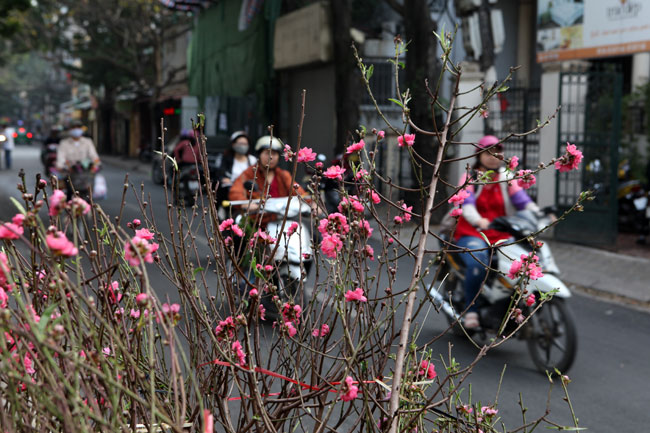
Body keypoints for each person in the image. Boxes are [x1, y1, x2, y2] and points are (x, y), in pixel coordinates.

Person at [453, 135, 541, 329]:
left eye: (497, 152)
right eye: (488, 152)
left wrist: (538, 215)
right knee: (478, 263)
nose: (494, 156)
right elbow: (466, 204)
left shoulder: (507, 177)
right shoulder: (471, 177)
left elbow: (522, 201)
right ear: (479, 155)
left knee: (523, 262)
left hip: (501, 233)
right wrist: (478, 220)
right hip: (473, 233)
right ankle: (471, 310)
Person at [229, 135, 307, 223]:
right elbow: (235, 192)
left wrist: (311, 203)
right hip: (257, 222)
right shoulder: (249, 173)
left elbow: (298, 191)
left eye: (274, 154)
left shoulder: (284, 175)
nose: (270, 157)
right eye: (267, 153)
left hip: (282, 221)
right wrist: (245, 203)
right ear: (259, 155)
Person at [56, 121, 101, 198]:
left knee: (88, 196)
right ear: (70, 130)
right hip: (70, 172)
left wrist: (96, 164)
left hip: (85, 173)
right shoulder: (64, 143)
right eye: (74, 128)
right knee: (68, 195)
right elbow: (61, 158)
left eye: (78, 128)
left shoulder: (88, 142)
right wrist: (61, 166)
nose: (76, 130)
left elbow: (94, 156)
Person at [213, 131, 257, 209]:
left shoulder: (253, 160)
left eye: (245, 144)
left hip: (249, 195)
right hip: (229, 196)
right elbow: (219, 175)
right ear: (233, 144)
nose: (243, 146)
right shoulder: (224, 159)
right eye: (240, 143)